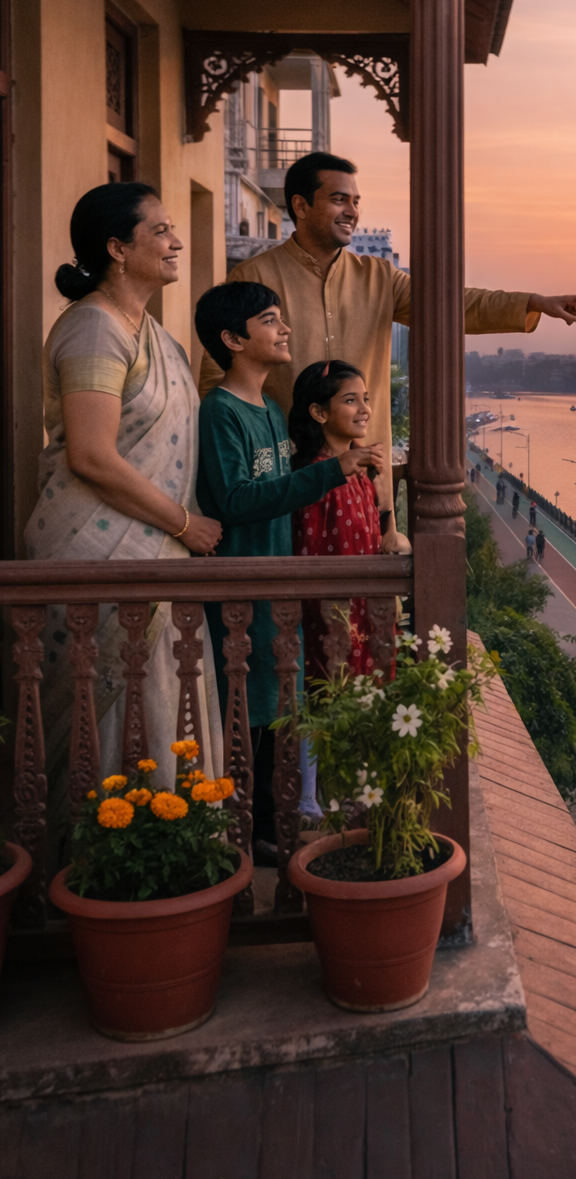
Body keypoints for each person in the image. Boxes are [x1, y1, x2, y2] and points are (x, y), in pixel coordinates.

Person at [198, 152, 576, 520]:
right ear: (301, 206)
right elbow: (221, 375)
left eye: (356, 202)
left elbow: (453, 304)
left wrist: (532, 302)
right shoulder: (254, 278)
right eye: (339, 200)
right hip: (285, 479)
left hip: (366, 473)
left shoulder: (378, 278)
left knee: (364, 589)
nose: (351, 211)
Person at [26, 184, 225, 834]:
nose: (176, 242)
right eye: (161, 231)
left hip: (151, 562)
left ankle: (166, 858)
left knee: (156, 710)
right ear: (117, 249)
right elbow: (90, 455)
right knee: (97, 721)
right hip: (95, 556)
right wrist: (182, 524)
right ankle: (88, 877)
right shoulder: (92, 328)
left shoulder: (157, 339)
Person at [195, 284, 354, 863]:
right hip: (239, 584)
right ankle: (240, 833)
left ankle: (263, 827)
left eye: (281, 319)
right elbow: (237, 499)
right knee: (242, 709)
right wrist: (330, 473)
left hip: (271, 585)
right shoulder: (220, 411)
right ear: (234, 340)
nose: (283, 329)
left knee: (270, 706)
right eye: (269, 320)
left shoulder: (266, 410)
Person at [290, 358, 409, 687]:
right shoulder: (317, 478)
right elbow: (307, 557)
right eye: (350, 400)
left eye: (366, 399)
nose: (365, 409)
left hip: (365, 618)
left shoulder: (359, 474)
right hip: (334, 627)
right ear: (319, 412)